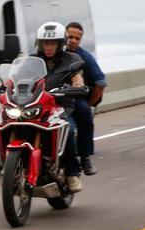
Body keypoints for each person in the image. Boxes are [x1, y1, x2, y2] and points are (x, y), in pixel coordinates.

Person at [33, 21, 85, 193]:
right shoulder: (33, 61)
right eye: (45, 43)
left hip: (60, 107)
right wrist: (4, 85)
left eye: (53, 43)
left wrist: (77, 85)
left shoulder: (72, 60)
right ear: (39, 44)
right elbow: (17, 77)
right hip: (36, 106)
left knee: (67, 130)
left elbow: (77, 77)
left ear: (60, 44)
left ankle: (72, 173)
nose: (48, 47)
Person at [66, 21, 107, 175]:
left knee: (85, 113)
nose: (73, 41)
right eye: (70, 37)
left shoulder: (85, 57)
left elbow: (100, 82)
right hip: (53, 99)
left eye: (77, 38)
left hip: (76, 99)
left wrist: (90, 103)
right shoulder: (55, 52)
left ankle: (85, 158)